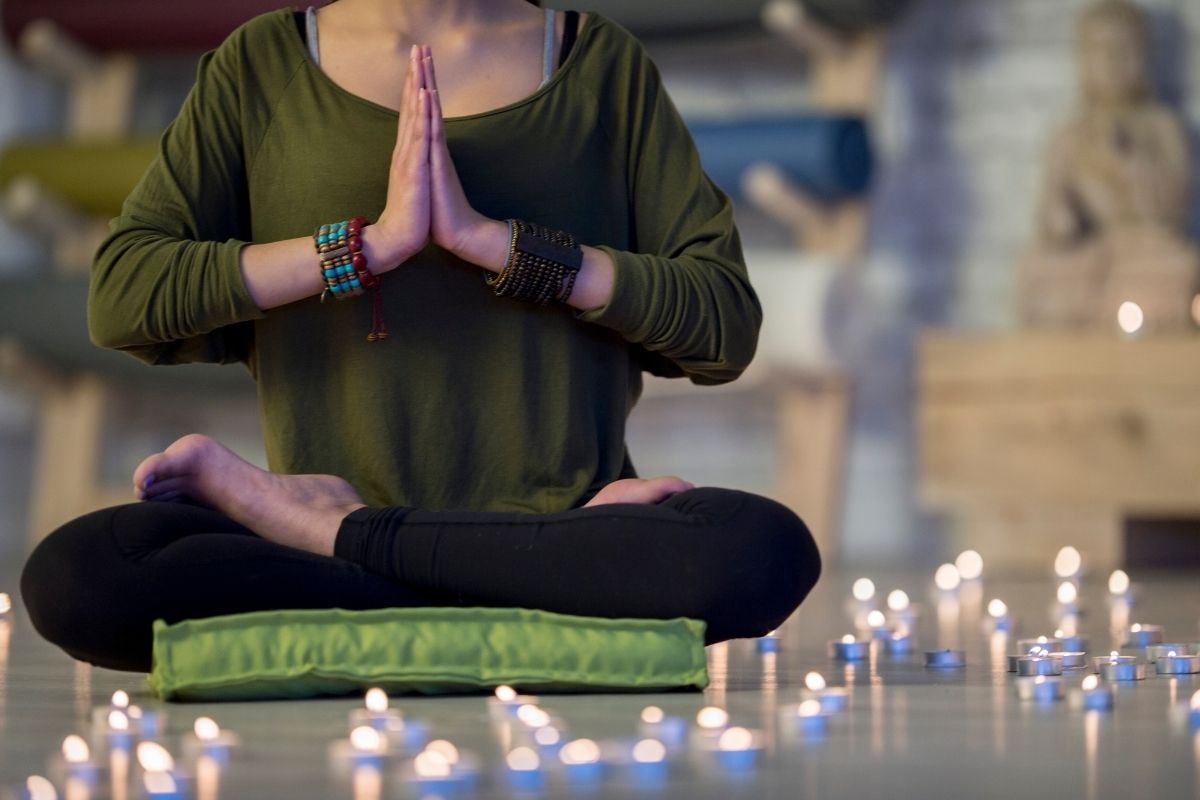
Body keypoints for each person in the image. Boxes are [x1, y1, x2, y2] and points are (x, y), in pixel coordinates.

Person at [21, 0, 821, 673]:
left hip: (544, 528)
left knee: (760, 552)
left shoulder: (600, 62)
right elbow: (124, 295)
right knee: (82, 575)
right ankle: (496, 596)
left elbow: (724, 323)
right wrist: (363, 250)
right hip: (549, 566)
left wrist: (500, 247)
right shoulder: (259, 63)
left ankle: (347, 541)